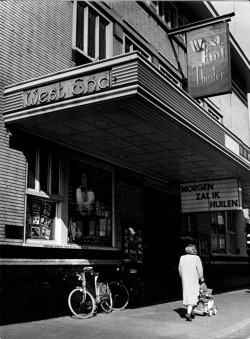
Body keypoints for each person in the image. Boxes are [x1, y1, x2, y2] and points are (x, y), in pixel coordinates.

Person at [178, 244, 205, 322]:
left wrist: (182, 276)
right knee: (194, 295)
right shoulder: (196, 258)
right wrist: (202, 278)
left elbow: (180, 269)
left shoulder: (182, 258)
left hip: (185, 279)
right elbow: (200, 269)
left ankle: (191, 311)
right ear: (193, 250)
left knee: (188, 294)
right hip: (193, 278)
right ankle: (188, 313)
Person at [75, 172, 95, 237]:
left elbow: (91, 202)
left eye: (84, 178)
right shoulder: (78, 189)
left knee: (87, 230)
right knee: (80, 230)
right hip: (80, 214)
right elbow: (79, 202)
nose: (82, 180)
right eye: (82, 178)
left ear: (87, 179)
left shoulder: (90, 190)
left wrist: (87, 205)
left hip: (88, 215)